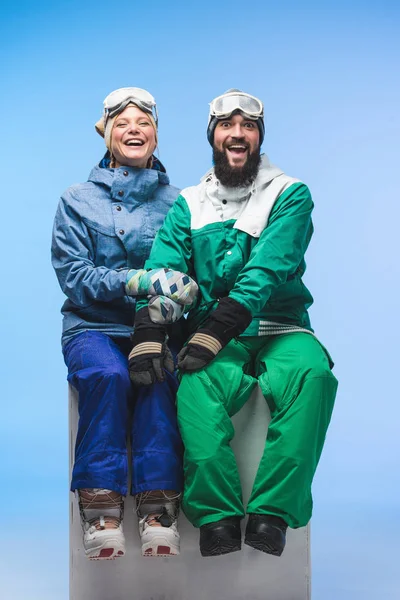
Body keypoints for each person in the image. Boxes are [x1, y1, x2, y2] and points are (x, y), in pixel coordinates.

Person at [129, 89, 338, 558]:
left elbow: (268, 268)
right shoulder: (188, 203)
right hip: (217, 336)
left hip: (280, 326)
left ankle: (272, 513)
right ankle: (217, 515)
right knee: (196, 387)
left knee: (314, 377)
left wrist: (214, 329)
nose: (237, 133)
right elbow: (165, 268)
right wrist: (148, 330)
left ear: (259, 137)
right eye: (227, 125)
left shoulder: (290, 193)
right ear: (213, 136)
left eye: (248, 126)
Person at [51, 87, 197, 560]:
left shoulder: (181, 202)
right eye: (122, 122)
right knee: (108, 376)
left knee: (158, 379)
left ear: (156, 135)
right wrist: (135, 279)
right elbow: (73, 275)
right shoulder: (77, 199)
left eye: (144, 122)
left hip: (156, 328)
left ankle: (158, 507)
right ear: (107, 133)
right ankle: (100, 508)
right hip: (93, 326)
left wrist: (179, 297)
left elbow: (188, 274)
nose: (133, 129)